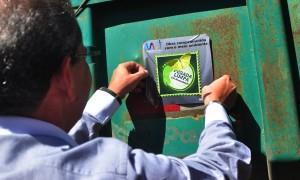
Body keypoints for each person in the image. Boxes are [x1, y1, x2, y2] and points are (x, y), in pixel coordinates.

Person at [0, 0, 251, 179]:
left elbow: (53, 152)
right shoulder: (109, 170)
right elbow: (219, 170)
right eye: (83, 55)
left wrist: (110, 96)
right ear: (66, 75)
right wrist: (215, 105)